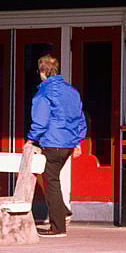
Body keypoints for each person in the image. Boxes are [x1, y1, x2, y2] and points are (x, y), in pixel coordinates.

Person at [25, 54, 86, 238]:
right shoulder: (72, 92)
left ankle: (58, 227)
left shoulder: (43, 93)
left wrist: (30, 139)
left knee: (50, 181)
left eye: (39, 70)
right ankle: (63, 210)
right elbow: (80, 119)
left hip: (52, 142)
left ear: (42, 71)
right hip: (67, 144)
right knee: (53, 178)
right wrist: (78, 142)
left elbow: (41, 121)